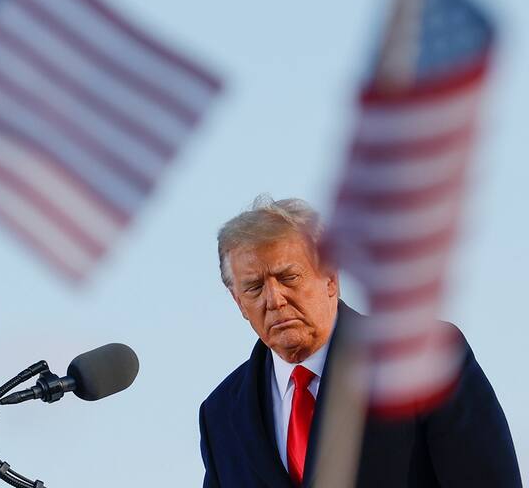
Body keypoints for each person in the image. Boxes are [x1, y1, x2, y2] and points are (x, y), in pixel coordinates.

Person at [198, 195, 520, 487]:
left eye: (288, 277)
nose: (275, 299)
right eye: (254, 287)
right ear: (238, 301)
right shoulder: (221, 416)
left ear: (330, 277)